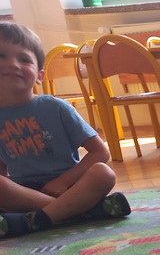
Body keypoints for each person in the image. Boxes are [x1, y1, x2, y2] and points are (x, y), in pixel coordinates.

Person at [0, 22, 129, 239]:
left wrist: (64, 181)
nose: (12, 64)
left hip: (72, 185)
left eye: (24, 59)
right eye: (1, 56)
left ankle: (35, 219)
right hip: (27, 193)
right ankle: (83, 212)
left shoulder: (56, 107)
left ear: (39, 76)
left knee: (104, 173)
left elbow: (100, 153)